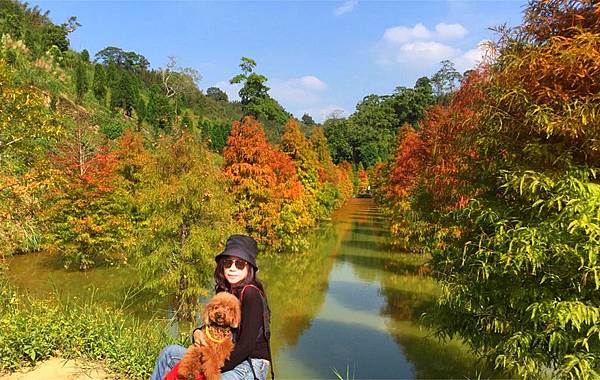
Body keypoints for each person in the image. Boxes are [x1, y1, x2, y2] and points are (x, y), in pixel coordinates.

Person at [150, 234, 273, 380]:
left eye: (239, 264)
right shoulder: (224, 290)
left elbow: (246, 346)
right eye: (228, 263)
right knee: (168, 354)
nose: (232, 268)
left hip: (249, 363)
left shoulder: (251, 294)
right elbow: (211, 327)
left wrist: (209, 368)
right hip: (217, 354)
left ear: (249, 268)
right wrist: (197, 333)